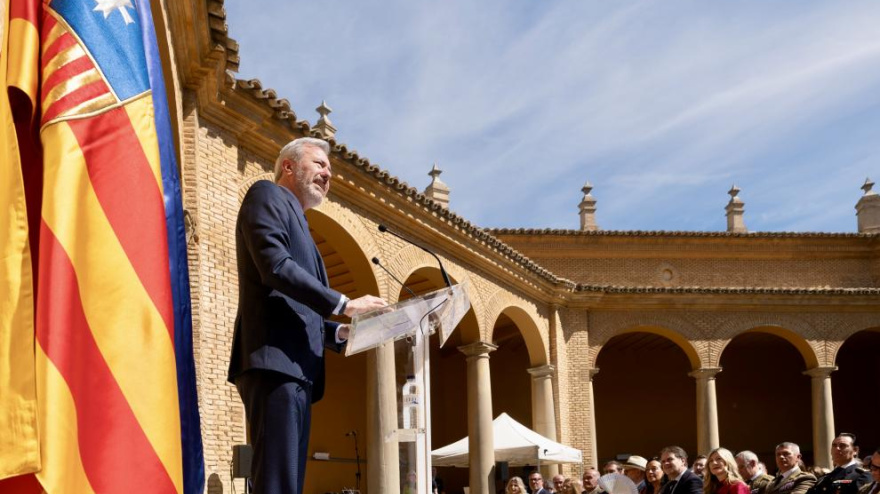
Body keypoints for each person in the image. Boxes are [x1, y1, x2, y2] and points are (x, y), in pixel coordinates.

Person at [228, 137, 388, 494]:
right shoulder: (266, 195)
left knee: (289, 484)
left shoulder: (307, 236)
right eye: (319, 164)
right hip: (275, 362)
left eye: (329, 169)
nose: (327, 174)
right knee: (276, 483)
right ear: (288, 166)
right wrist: (345, 304)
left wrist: (341, 334)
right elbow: (275, 266)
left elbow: (302, 308)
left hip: (299, 371)